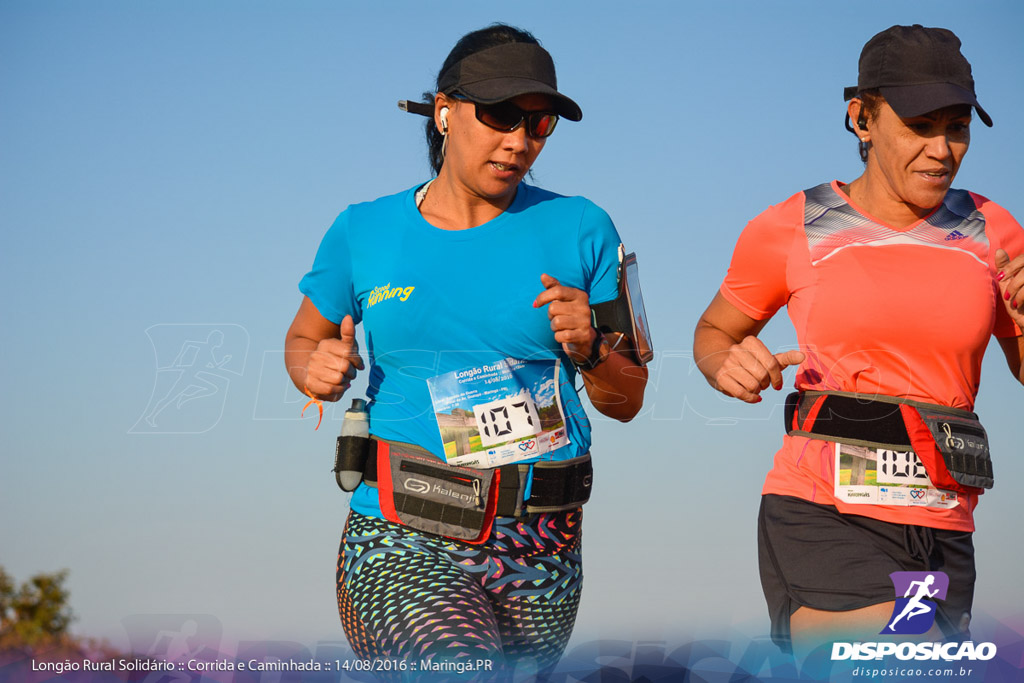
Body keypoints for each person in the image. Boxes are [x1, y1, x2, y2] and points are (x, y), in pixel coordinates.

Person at [285, 24, 648, 678]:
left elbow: (628, 398)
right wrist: (315, 369)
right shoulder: (363, 231)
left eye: (539, 124)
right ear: (445, 111)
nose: (519, 141)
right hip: (404, 529)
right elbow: (304, 338)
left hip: (545, 543)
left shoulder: (585, 229)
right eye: (501, 115)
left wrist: (590, 345)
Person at [693, 24, 1024, 658]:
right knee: (899, 660)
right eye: (920, 125)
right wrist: (725, 365)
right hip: (823, 512)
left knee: (925, 666)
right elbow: (714, 333)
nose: (942, 149)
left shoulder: (993, 228)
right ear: (861, 118)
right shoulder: (795, 225)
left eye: (957, 127)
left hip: (944, 523)